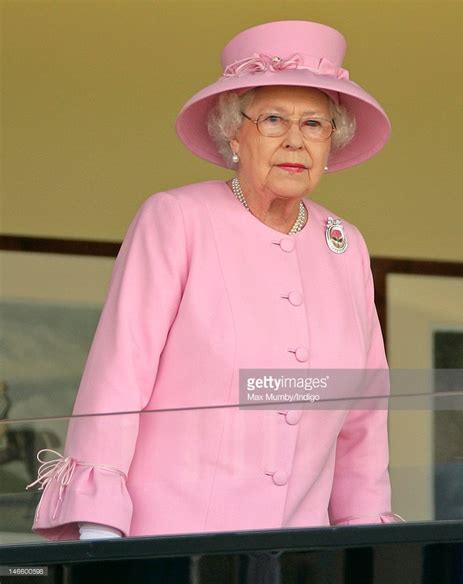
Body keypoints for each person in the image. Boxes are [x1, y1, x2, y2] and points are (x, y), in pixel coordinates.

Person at [26, 20, 404, 544]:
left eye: (315, 124)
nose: (295, 140)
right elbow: (120, 372)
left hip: (297, 551)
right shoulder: (178, 218)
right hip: (171, 545)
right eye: (273, 119)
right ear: (233, 131)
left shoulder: (345, 243)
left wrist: (367, 539)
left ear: (331, 140)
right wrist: (99, 529)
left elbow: (363, 407)